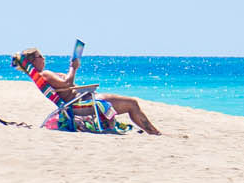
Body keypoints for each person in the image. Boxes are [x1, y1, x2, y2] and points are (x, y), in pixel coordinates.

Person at [11, 46, 161, 135]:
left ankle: (153, 132)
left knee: (131, 104)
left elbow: (64, 86)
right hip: (82, 103)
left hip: (80, 100)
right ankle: (154, 133)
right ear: (32, 61)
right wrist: (73, 67)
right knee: (132, 104)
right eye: (40, 56)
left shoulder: (41, 75)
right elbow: (67, 83)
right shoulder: (45, 74)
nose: (43, 58)